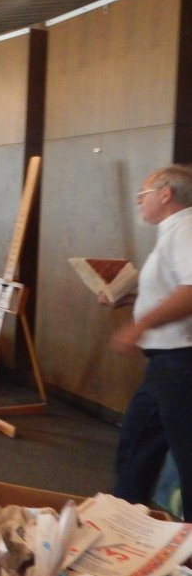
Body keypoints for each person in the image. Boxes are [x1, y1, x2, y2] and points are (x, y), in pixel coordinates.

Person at [107, 164, 192, 515]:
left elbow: (190, 292)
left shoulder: (185, 229)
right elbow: (174, 289)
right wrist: (132, 300)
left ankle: (123, 516)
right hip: (168, 362)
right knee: (138, 445)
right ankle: (123, 518)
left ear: (165, 194)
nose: (138, 201)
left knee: (173, 453)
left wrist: (139, 325)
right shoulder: (175, 230)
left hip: (179, 361)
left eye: (143, 194)